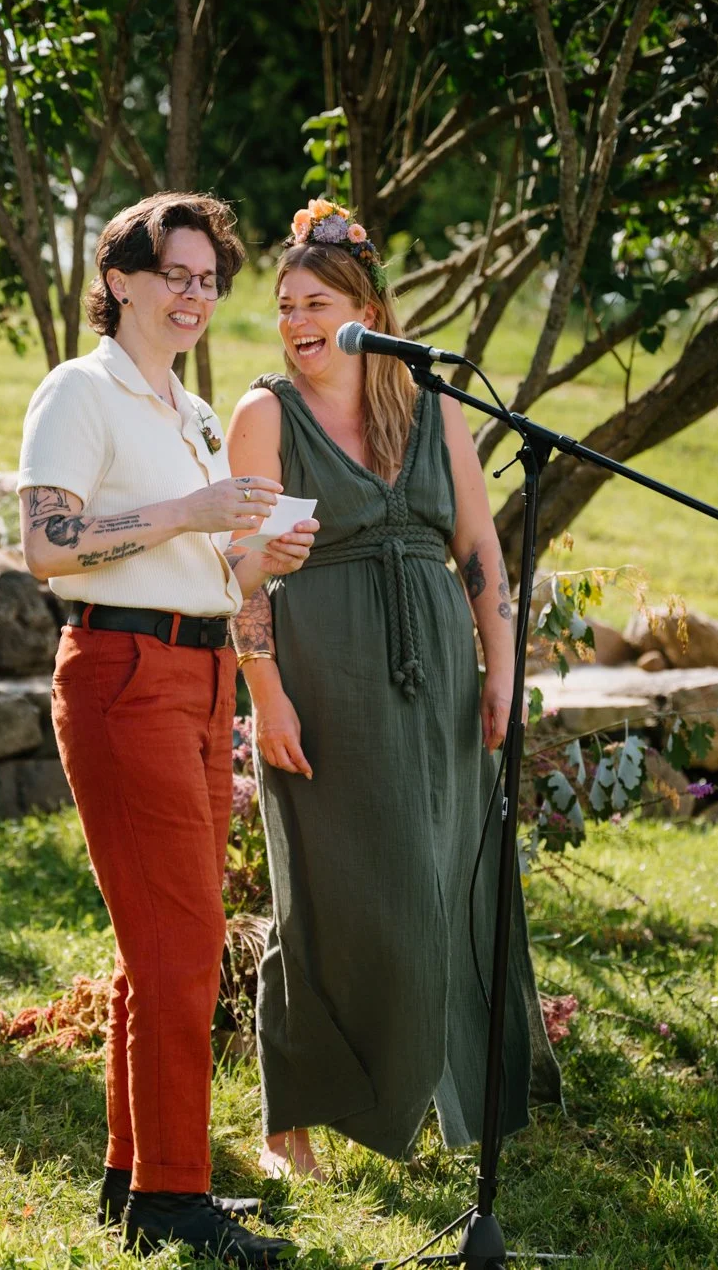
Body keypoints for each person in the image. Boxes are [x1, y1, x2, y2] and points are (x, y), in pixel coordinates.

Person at [227, 199, 559, 1181]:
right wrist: (266, 695)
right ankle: (289, 1121)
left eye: (315, 303)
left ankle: (443, 1093)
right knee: (327, 892)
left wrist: (502, 673)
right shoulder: (264, 415)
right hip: (321, 678)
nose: (295, 322)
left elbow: (480, 548)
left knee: (442, 880)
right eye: (285, 305)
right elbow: (242, 574)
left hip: (439, 679)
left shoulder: (430, 405)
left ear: (365, 311)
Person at [18, 192, 317, 1266]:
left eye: (208, 280)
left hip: (201, 674)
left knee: (159, 943)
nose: (195, 295)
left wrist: (258, 557)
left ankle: (133, 1176)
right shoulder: (80, 390)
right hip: (121, 671)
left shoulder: (189, 410)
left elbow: (201, 566)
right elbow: (49, 545)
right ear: (120, 282)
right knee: (184, 942)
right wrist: (193, 512)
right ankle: (173, 1196)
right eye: (175, 275)